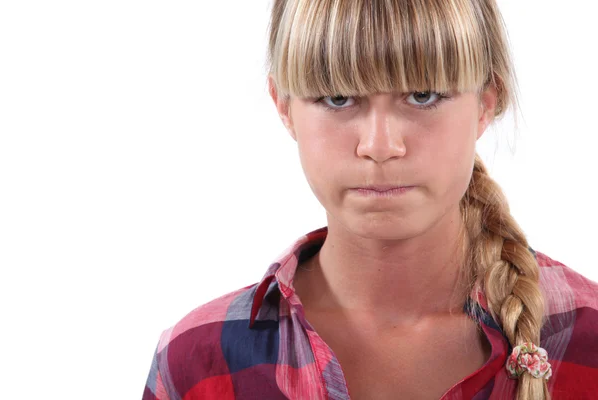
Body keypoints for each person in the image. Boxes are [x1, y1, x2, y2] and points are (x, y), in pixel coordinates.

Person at [142, 1, 598, 399]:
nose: (380, 145)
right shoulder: (199, 363)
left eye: (423, 95)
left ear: (486, 102)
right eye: (339, 98)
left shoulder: (588, 339)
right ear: (283, 106)